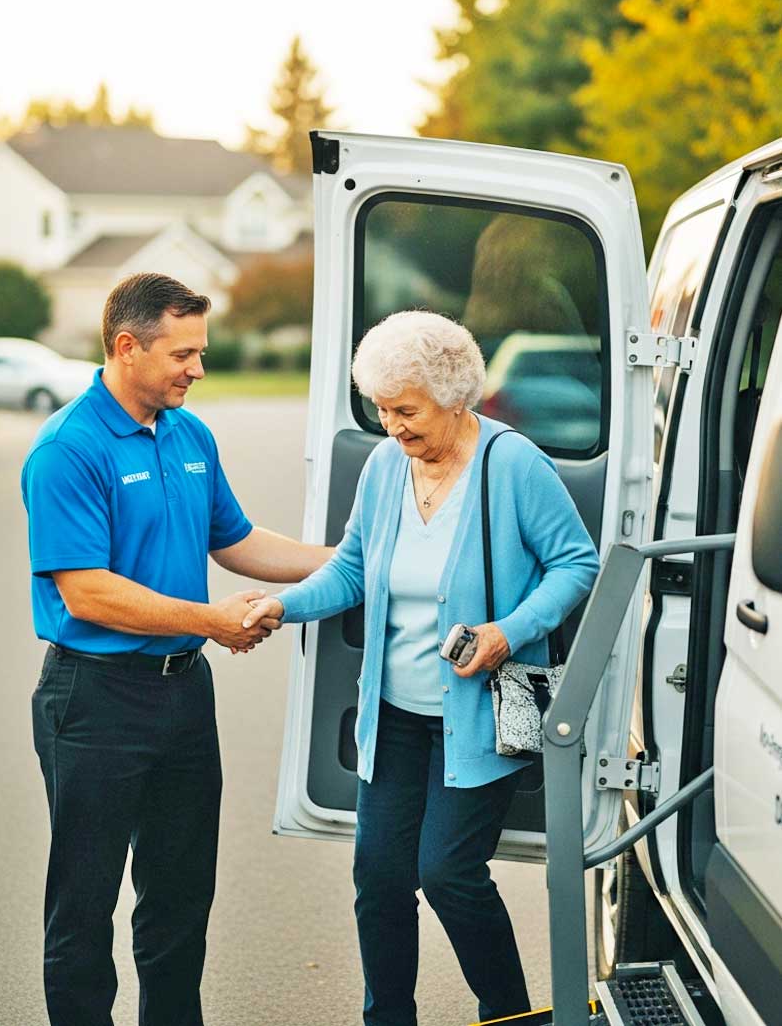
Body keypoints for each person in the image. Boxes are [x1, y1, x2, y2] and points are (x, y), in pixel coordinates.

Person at [245, 310, 600, 1025]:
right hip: (396, 717)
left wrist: (509, 631)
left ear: (454, 396)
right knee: (376, 879)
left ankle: (505, 1013)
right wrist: (282, 607)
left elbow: (577, 563)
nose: (390, 425)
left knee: (448, 873)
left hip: (478, 714)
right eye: (380, 408)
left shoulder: (512, 465)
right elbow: (351, 570)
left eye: (404, 410)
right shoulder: (384, 466)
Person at [20, 272, 331, 1026]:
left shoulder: (190, 434)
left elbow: (238, 540)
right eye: (183, 352)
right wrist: (209, 620)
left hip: (182, 695)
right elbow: (85, 592)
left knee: (180, 899)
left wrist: (354, 559)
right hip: (93, 699)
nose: (198, 368)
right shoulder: (69, 448)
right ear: (127, 348)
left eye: (200, 350)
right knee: (83, 908)